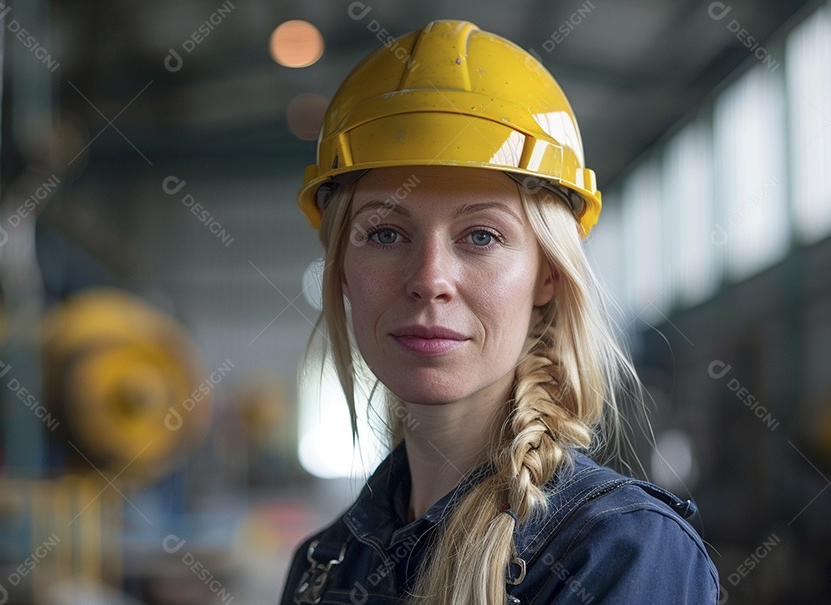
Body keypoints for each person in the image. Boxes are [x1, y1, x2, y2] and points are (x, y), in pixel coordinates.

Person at [280, 20, 720, 605]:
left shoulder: (621, 556)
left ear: (549, 273)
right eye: (385, 234)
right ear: (340, 270)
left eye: (481, 236)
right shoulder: (324, 568)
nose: (430, 280)